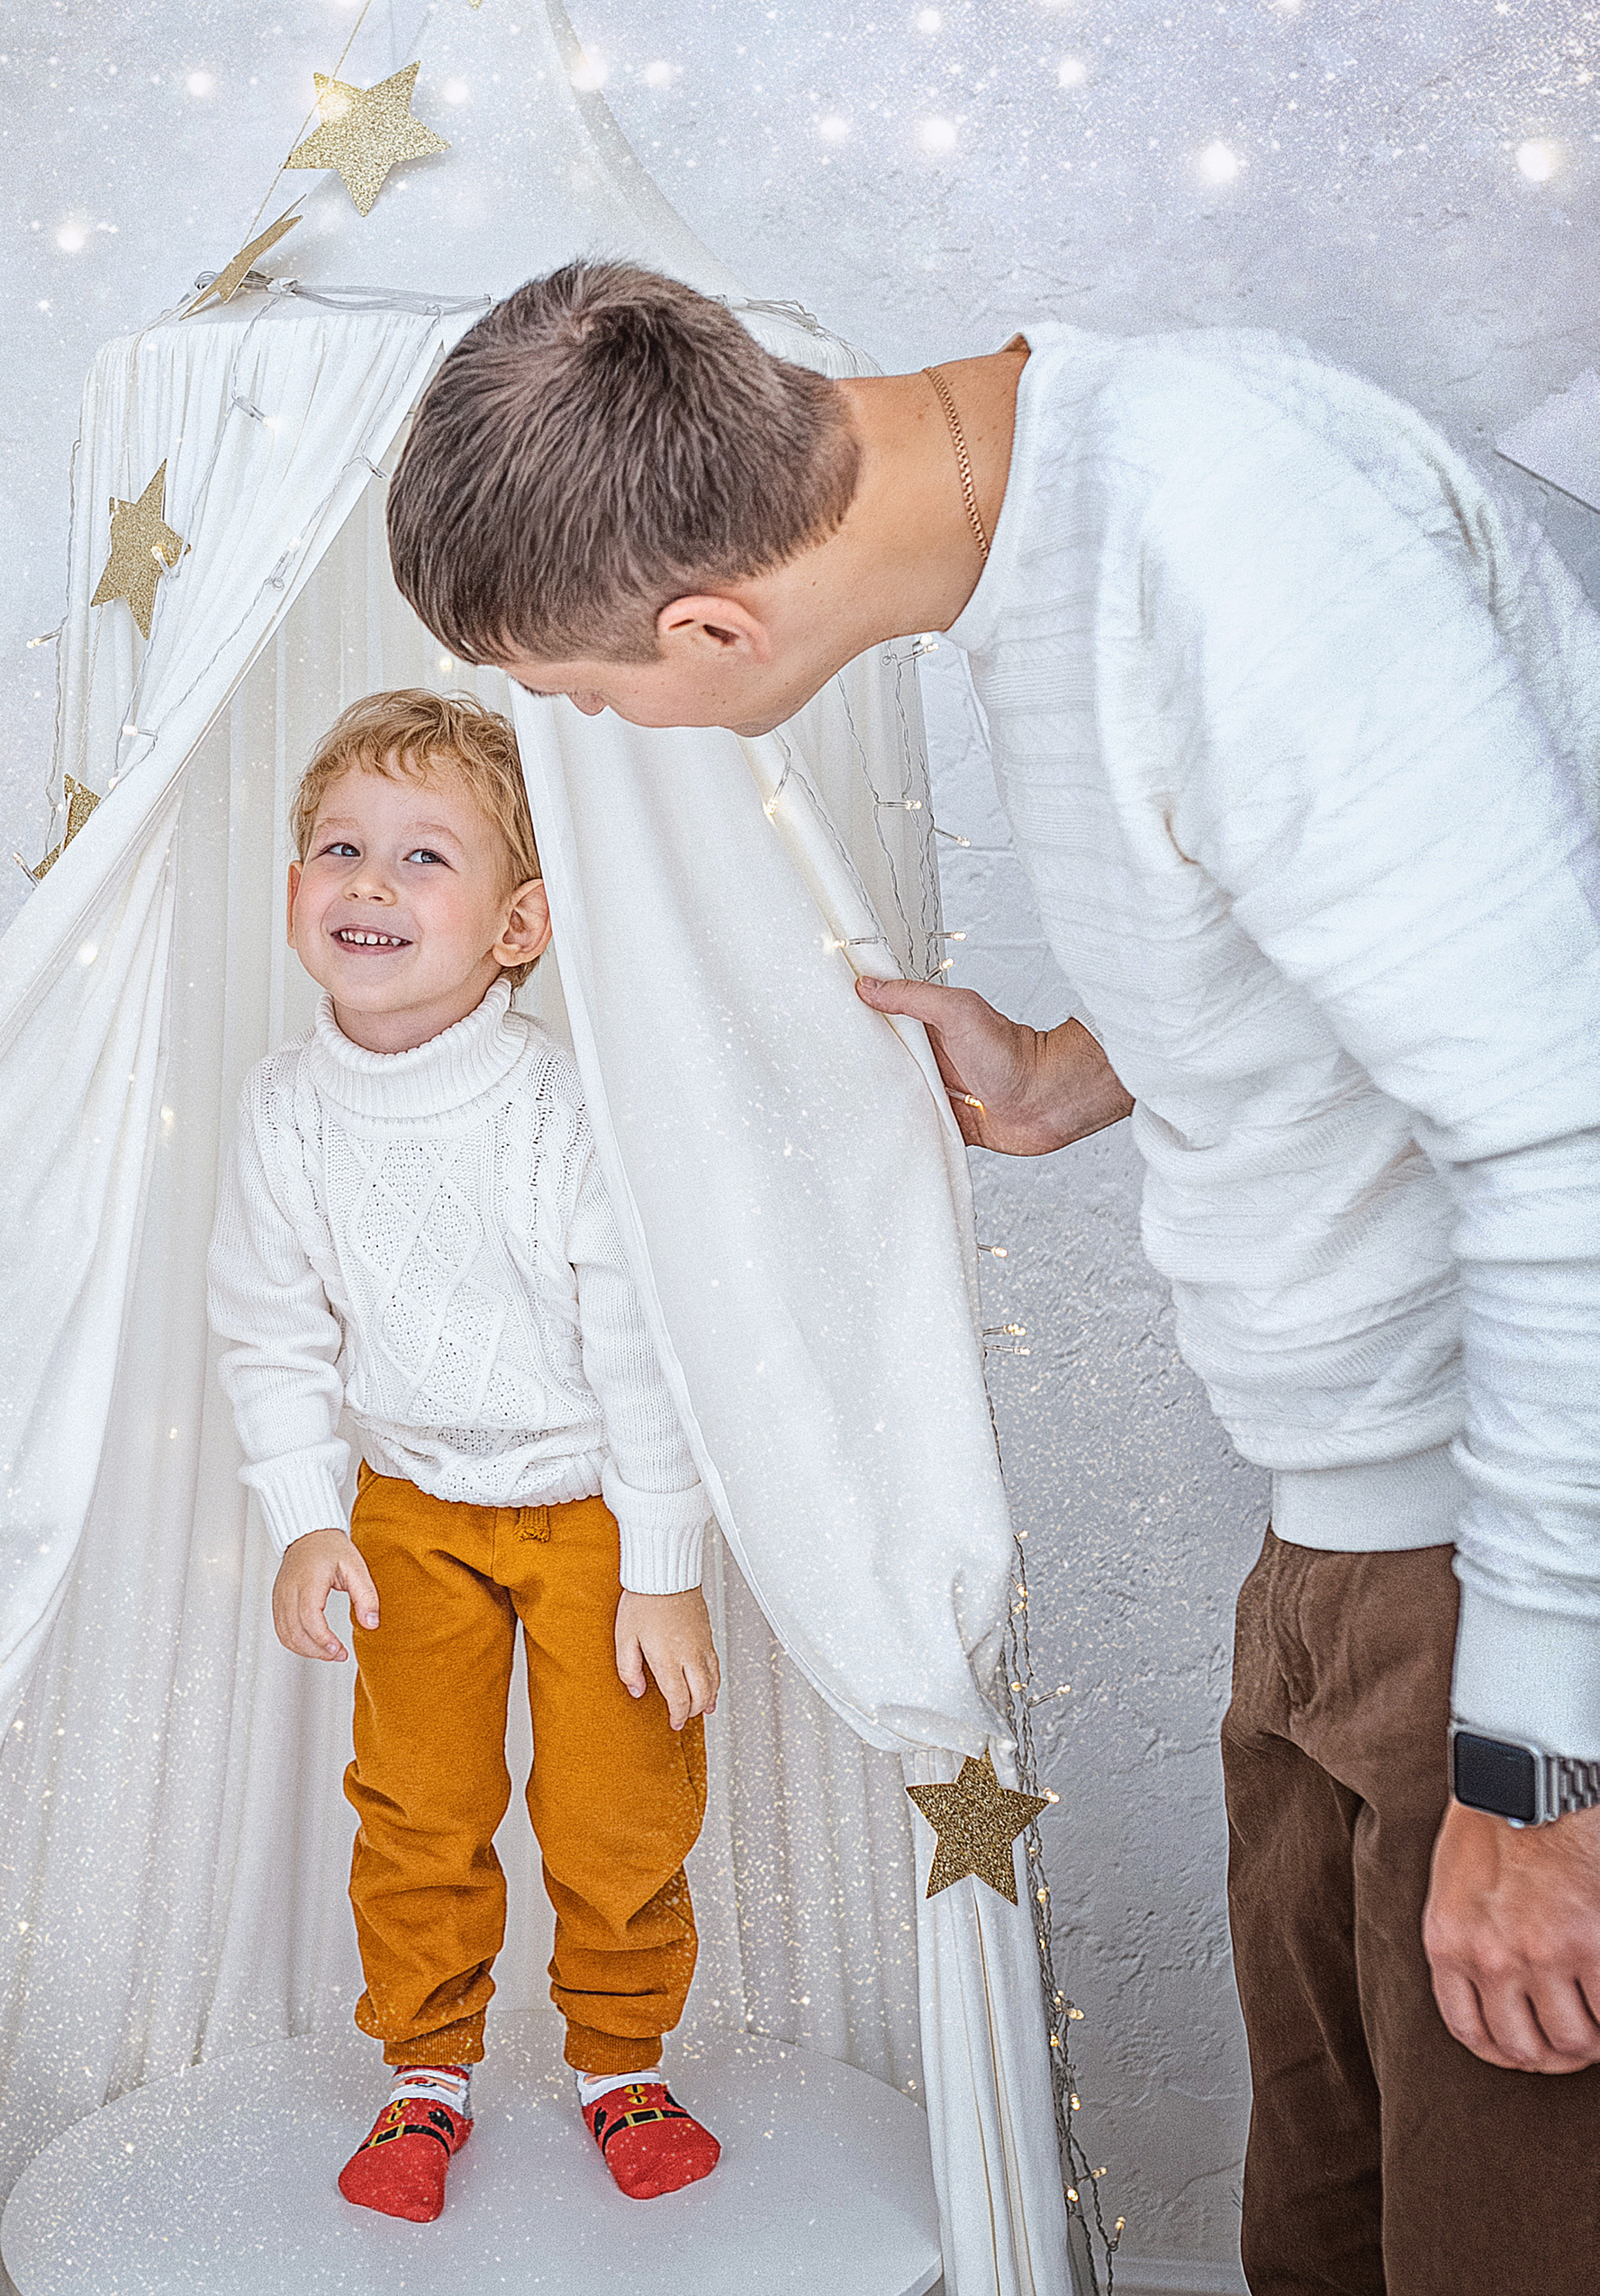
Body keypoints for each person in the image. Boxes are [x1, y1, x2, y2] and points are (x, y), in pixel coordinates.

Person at [384, 265, 1600, 2293]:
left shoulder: (1233, 541)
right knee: (1326, 2227)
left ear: (710, 627)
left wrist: (1537, 1763)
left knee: (1504, 2235)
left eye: (595, 697)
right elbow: (1372, 913)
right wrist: (1066, 1066)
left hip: (1501, 1570)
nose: (607, 727)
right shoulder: (1061, 516)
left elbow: (1565, 1135)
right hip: (1343, 1543)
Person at [206, 689, 726, 2223]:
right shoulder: (286, 1111)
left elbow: (647, 1349)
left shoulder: (561, 1108)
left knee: (616, 1801)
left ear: (518, 926)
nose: (367, 883)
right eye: (338, 848)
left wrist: (663, 1571)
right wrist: (310, 1518)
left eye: (423, 858)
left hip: (588, 1511)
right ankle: (424, 2072)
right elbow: (269, 1329)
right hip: (410, 1509)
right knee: (416, 1799)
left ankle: (621, 2055)